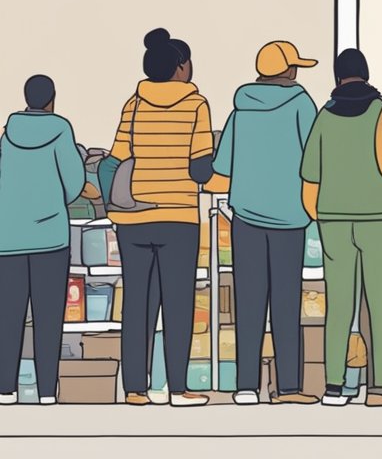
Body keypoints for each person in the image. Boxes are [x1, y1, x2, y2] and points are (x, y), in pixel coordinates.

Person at [102, 29, 215, 407]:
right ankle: (178, 389)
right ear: (180, 68)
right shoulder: (196, 105)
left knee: (137, 302)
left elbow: (118, 156)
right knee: (179, 302)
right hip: (178, 216)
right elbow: (200, 170)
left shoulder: (132, 104)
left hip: (134, 217)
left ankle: (135, 389)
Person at [211, 41, 320, 406]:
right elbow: (315, 161)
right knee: (287, 304)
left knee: (249, 303)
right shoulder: (302, 104)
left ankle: (245, 386)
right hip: (290, 219)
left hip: (247, 220)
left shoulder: (240, 110)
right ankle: (288, 386)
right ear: (287, 71)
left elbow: (222, 168)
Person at [300, 49, 382, 408]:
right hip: (377, 219)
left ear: (337, 77)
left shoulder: (324, 118)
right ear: (366, 73)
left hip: (334, 221)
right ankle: (378, 389)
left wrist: (320, 214)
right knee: (380, 305)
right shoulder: (381, 114)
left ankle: (334, 387)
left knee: (340, 304)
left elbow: (310, 176)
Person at [0, 76, 91, 406]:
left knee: (8, 316)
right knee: (49, 317)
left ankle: (5, 390)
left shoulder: (7, 134)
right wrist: (51, 201)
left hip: (7, 238)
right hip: (50, 238)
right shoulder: (61, 130)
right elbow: (74, 182)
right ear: (52, 99)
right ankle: (46, 392)